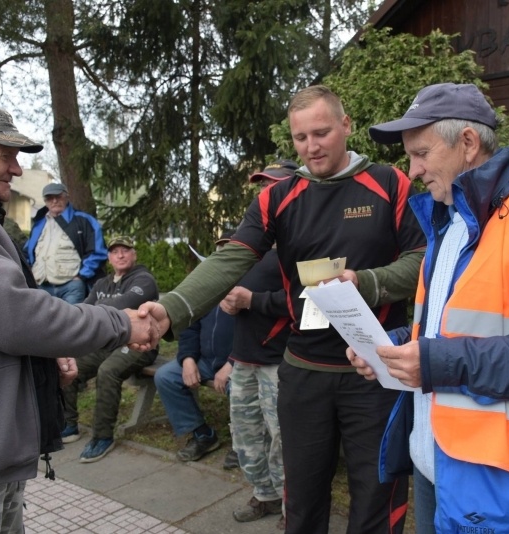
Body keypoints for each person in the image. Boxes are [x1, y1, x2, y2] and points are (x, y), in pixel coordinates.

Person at [138, 85, 426, 534]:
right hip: (304, 372)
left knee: (377, 496)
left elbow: (422, 259)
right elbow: (232, 258)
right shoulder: (279, 196)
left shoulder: (390, 183)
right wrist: (172, 307)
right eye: (300, 137)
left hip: (376, 372)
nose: (311, 146)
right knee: (304, 500)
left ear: (346, 126)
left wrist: (367, 283)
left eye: (322, 132)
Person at [346, 82, 509, 534]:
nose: (411, 171)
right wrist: (392, 349)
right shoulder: (449, 221)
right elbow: (449, 330)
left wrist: (437, 362)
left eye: (421, 154)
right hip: (440, 466)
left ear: (468, 143)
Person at [0, 97, 154, 533]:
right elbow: (13, 315)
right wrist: (122, 323)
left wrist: (43, 355)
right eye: (4, 155)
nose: (17, 169)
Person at [218, 161, 295, 526]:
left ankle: (290, 505)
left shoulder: (302, 244)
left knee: (285, 439)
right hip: (244, 358)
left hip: (282, 361)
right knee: (246, 436)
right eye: (262, 186)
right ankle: (263, 494)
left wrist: (252, 300)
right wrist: (227, 298)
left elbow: (313, 302)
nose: (266, 193)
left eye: (273, 186)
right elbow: (232, 291)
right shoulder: (250, 242)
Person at [61, 235, 161, 463]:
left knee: (108, 371)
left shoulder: (144, 279)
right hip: (107, 343)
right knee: (70, 364)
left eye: (126, 250)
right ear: (109, 257)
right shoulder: (102, 284)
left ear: (134, 254)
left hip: (141, 344)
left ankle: (103, 437)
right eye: (115, 252)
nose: (121, 255)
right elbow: (83, 309)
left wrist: (96, 311)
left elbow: (123, 303)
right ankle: (69, 424)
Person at [154, 231, 236, 462]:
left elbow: (257, 335)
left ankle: (243, 444)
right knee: (166, 376)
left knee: (241, 389)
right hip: (205, 360)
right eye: (221, 248)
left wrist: (231, 365)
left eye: (231, 248)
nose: (225, 253)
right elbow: (190, 327)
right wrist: (188, 359)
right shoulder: (208, 287)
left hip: (240, 364)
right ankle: (203, 434)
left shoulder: (252, 286)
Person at [23, 181, 107, 304]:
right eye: (49, 198)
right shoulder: (39, 224)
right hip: (41, 287)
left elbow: (98, 251)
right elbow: (28, 252)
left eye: (58, 196)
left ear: (67, 197)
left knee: (72, 322)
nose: (54, 201)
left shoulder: (84, 220)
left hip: (71, 287)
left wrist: (81, 276)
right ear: (45, 201)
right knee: (43, 323)